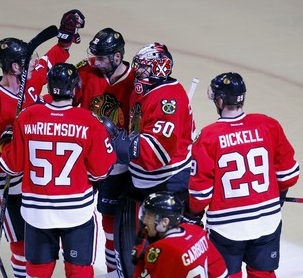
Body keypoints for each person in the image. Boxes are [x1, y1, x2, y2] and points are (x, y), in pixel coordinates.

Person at [0, 10, 85, 277]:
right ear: (15, 66)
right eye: (26, 60)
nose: (32, 62)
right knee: (21, 245)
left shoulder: (27, 83)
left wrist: (64, 42)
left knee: (38, 242)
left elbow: (48, 62)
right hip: (5, 182)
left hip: (31, 179)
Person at [0, 63, 116, 278]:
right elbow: (102, 171)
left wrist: (6, 144)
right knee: (78, 272)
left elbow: (11, 167)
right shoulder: (89, 121)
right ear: (74, 89)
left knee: (37, 273)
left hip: (37, 214)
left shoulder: (27, 116)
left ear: (50, 87)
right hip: (76, 213)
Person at [188, 72, 300, 278]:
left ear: (220, 100)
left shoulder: (208, 136)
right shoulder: (268, 124)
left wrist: (191, 213)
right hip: (268, 221)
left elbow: (200, 196)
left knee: (227, 275)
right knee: (263, 273)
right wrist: (278, 196)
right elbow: (289, 176)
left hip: (226, 228)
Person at [102, 42, 196, 278]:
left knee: (166, 244)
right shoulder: (144, 89)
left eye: (144, 68)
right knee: (141, 238)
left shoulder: (168, 99)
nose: (138, 72)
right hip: (144, 180)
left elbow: (158, 154)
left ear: (160, 68)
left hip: (168, 181)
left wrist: (121, 145)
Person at [74, 27, 135, 273]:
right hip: (83, 159)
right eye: (95, 55)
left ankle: (112, 271)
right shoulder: (85, 72)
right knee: (75, 216)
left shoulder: (135, 81)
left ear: (117, 57)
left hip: (117, 165)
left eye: (101, 57)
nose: (95, 61)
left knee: (109, 221)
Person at [132, 191, 228, 278]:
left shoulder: (162, 250)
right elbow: (220, 271)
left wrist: (140, 262)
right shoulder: (195, 231)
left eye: (149, 217)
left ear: (165, 222)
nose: (144, 221)